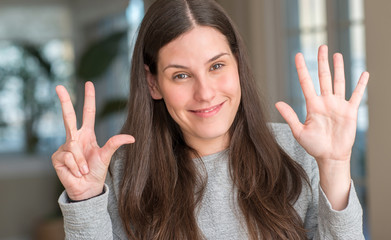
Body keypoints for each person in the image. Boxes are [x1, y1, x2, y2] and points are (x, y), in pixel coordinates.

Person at [52, 0, 368, 239]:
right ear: (153, 84)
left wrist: (335, 165)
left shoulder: (297, 150)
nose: (204, 92)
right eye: (180, 75)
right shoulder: (125, 172)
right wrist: (86, 201)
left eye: (216, 66)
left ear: (237, 64)